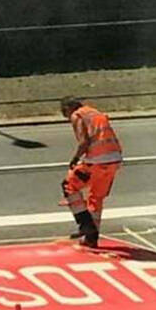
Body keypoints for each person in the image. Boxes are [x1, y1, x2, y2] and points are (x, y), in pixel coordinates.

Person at [60, 97, 123, 248]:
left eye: (65, 114)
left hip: (96, 161)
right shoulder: (95, 113)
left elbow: (84, 142)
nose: (67, 117)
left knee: (69, 185)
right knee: (96, 197)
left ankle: (85, 224)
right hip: (114, 160)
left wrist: (75, 159)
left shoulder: (78, 116)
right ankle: (91, 238)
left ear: (69, 108)